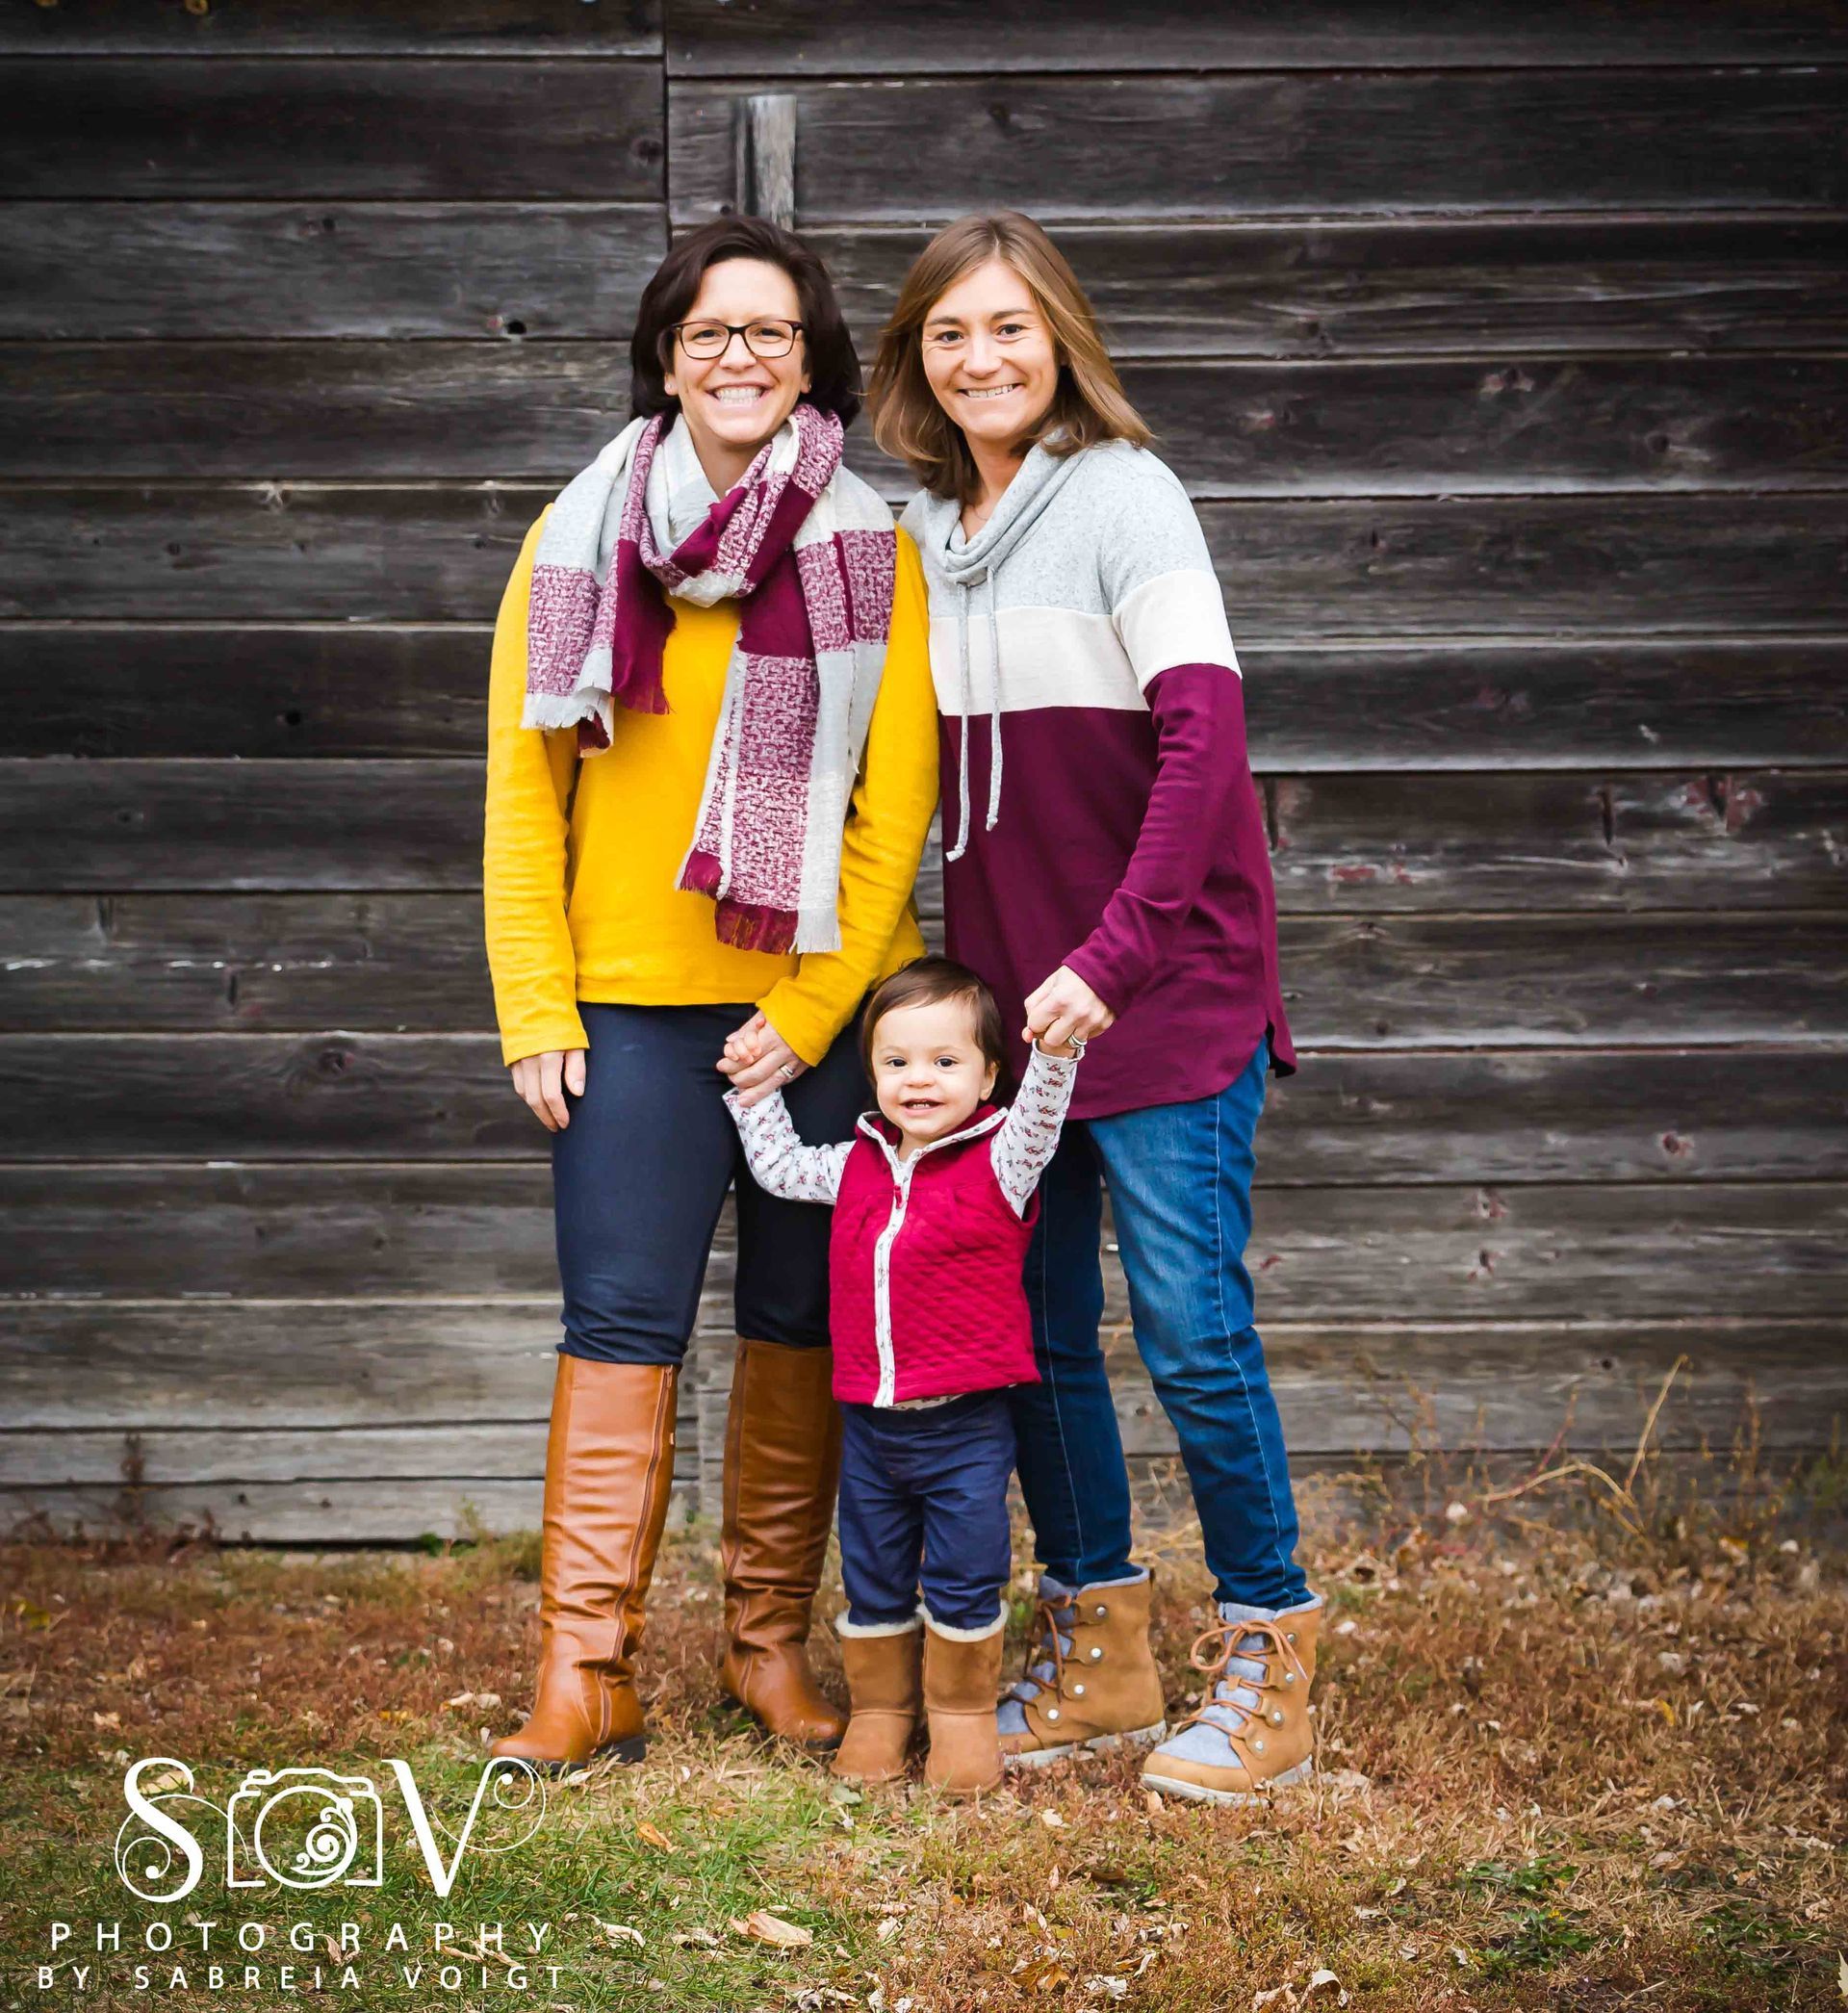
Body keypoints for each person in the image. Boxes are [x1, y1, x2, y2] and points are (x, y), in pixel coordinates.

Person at [864, 211, 1322, 1804]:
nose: (980, 357)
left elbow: (1205, 754)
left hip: (1163, 990)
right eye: (948, 334)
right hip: (1014, 1013)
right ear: (913, 362)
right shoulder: (927, 530)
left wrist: (1112, 958)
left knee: (1192, 1328)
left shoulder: (1128, 496)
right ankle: (1103, 1643)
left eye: (1008, 326)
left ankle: (1271, 1657)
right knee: (1039, 1335)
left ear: (1060, 334)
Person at [482, 215, 938, 1769]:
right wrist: (535, 1003)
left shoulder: (869, 546)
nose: (737, 355)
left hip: (806, 1016)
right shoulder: (574, 535)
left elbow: (894, 810)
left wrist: (815, 1017)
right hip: (620, 1006)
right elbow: (520, 791)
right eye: (707, 330)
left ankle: (765, 1648)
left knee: (801, 1321)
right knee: (619, 1324)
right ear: (665, 355)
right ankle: (586, 1670)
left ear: (809, 359)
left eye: (769, 331)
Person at [725, 956, 1086, 1794]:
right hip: (872, 1426)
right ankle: (882, 1712)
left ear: (988, 1073)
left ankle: (959, 1717)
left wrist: (1059, 1054)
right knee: (874, 1567)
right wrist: (752, 1091)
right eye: (897, 1062)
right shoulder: (853, 1163)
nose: (918, 1079)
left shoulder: (1001, 1160)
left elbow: (1042, 1111)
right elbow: (778, 1167)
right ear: (872, 1071)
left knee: (966, 1566)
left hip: (964, 1427)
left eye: (945, 1061)